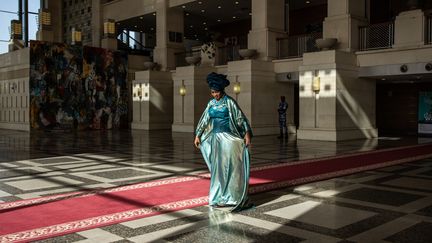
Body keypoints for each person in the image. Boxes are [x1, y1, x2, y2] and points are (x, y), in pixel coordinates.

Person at [194, 72, 253, 211]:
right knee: (218, 169)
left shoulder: (229, 102)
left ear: (222, 90)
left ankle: (231, 197)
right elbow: (204, 120)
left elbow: (240, 118)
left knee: (229, 168)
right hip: (215, 140)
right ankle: (218, 196)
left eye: (217, 92)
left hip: (229, 140)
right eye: (213, 92)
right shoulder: (211, 104)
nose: (215, 95)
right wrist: (198, 135)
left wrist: (247, 133)